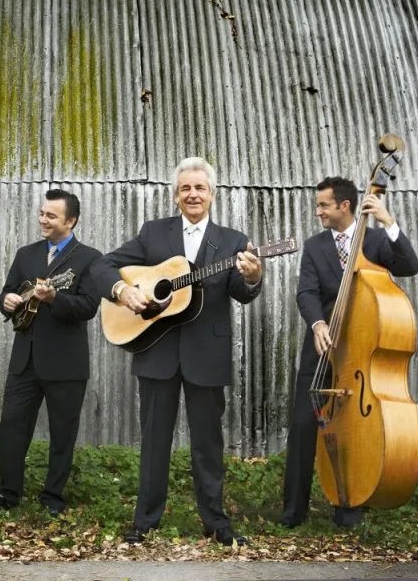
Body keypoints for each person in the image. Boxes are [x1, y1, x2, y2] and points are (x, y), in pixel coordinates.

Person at [92, 157, 263, 546]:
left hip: (207, 353)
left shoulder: (233, 240)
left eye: (200, 188)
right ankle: (146, 520)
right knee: (154, 441)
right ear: (175, 196)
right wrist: (123, 290)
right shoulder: (153, 234)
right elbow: (104, 265)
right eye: (185, 188)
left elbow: (241, 291)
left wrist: (252, 277)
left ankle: (216, 521)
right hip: (158, 350)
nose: (193, 194)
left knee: (208, 444)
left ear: (212, 195)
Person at [280, 176, 418, 528]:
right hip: (323, 350)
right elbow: (306, 292)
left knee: (353, 428)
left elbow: (410, 266)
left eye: (324, 205)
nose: (319, 211)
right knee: (302, 425)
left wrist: (388, 222)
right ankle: (293, 511)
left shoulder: (373, 240)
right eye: (318, 205)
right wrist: (317, 324)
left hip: (362, 352)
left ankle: (349, 504)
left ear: (345, 206)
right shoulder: (314, 247)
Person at [0, 189, 102, 517]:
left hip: (66, 363)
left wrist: (54, 299)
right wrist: (5, 302)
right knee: (11, 426)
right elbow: (8, 292)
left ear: (71, 220)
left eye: (50, 215)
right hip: (25, 359)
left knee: (63, 433)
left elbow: (88, 307)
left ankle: (53, 497)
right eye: (41, 213)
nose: (42, 220)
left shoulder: (90, 258)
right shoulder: (25, 254)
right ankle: (8, 492)